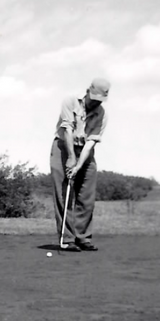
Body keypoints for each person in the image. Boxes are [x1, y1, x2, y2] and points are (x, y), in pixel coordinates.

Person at [50, 77, 111, 252]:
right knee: (64, 195)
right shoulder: (70, 101)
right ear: (88, 92)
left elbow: (90, 143)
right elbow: (68, 129)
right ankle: (67, 239)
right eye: (95, 98)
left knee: (87, 196)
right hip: (63, 147)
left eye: (100, 100)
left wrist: (78, 165)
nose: (96, 103)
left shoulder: (102, 114)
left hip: (85, 151)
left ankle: (82, 238)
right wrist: (70, 158)